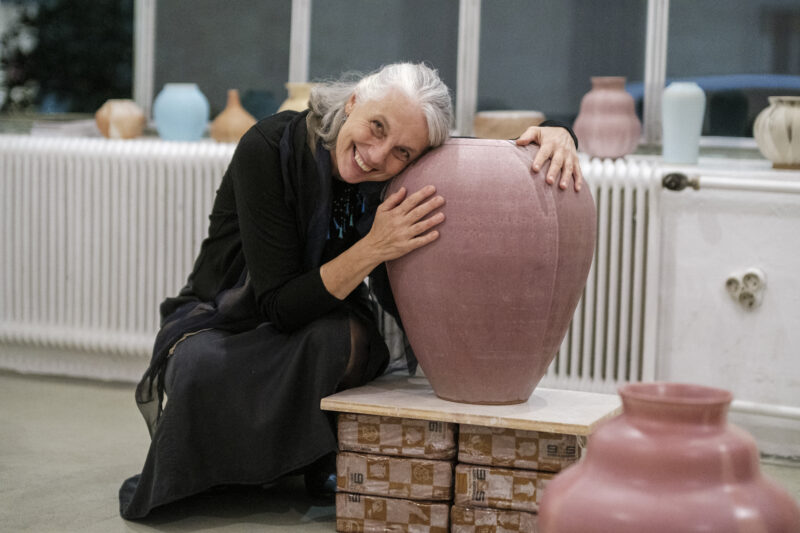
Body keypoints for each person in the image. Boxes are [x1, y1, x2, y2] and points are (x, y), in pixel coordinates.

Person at [119, 62, 583, 519]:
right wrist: (376, 245)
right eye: (376, 128)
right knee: (199, 366)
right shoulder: (269, 145)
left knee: (340, 339)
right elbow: (278, 305)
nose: (378, 156)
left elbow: (480, 153)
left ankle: (300, 462)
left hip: (321, 315)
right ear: (355, 100)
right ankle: (246, 466)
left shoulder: (406, 163)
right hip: (231, 315)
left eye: (403, 152)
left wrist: (560, 132)